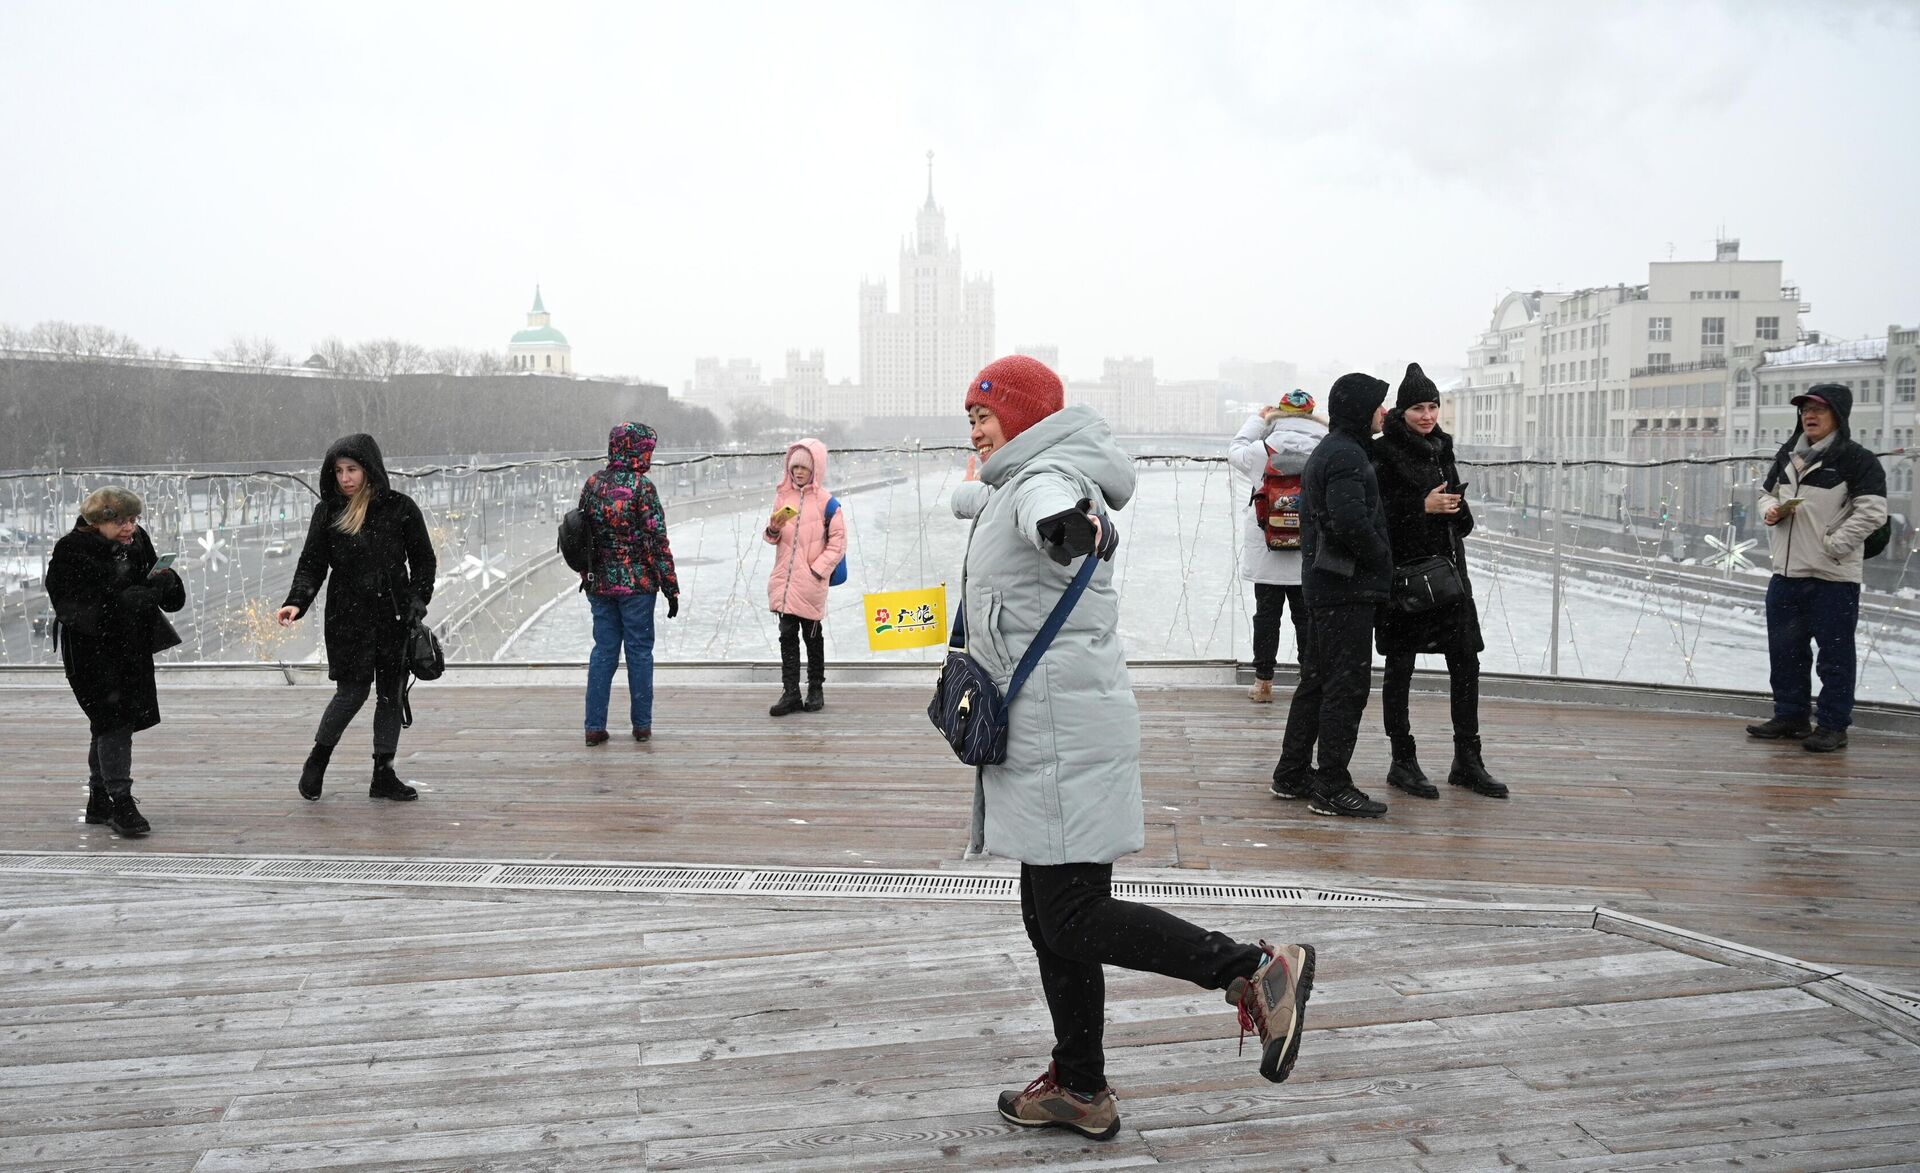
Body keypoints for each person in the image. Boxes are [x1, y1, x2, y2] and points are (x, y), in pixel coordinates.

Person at [958, 355, 1314, 1142]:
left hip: (1061, 734)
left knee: (1073, 915)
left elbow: (1053, 518)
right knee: (1049, 915)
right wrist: (981, 493)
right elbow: (996, 500)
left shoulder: (1045, 481)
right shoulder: (1017, 478)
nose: (975, 427)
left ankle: (1250, 969)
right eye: (970, 416)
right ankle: (1081, 1085)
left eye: (985, 414)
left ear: (1024, 417)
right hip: (1055, 732)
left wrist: (1071, 531)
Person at [275, 434, 436, 800]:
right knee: (351, 693)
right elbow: (312, 565)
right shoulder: (329, 511)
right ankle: (317, 759)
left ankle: (383, 774)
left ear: (369, 469)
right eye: (339, 471)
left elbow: (424, 561)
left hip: (394, 615)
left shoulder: (401, 508)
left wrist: (417, 602)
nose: (345, 478)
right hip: (348, 617)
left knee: (391, 696)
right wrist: (296, 601)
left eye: (352, 469)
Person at [1372, 363, 1505, 799]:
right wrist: (1420, 507)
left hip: (1450, 576)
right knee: (1401, 667)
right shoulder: (1382, 453)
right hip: (1407, 578)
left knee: (1467, 662)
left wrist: (1456, 509)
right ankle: (1402, 760)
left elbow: (1459, 523)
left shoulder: (1441, 447)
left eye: (1432, 406)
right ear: (1401, 412)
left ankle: (1468, 759)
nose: (1427, 415)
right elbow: (1376, 520)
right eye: (1418, 408)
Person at [1271, 373, 1393, 818]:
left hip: (1325, 585)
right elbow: (1348, 521)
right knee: (1346, 685)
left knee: (1318, 680)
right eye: (1379, 405)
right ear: (1362, 410)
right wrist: (1382, 559)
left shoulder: (1338, 447)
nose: (1385, 412)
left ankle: (1292, 773)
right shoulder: (1345, 454)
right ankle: (1332, 784)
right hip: (1345, 588)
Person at [1747, 383, 1888, 752]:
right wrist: (1770, 512)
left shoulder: (1857, 459)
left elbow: (1872, 512)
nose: (1809, 416)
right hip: (1786, 574)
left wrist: (1833, 545)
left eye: (1819, 410)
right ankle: (1791, 716)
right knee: (1786, 651)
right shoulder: (1788, 455)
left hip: (1832, 579)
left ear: (1837, 416)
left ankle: (1832, 725)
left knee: (1834, 656)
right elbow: (1764, 494)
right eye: (1805, 410)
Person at [46, 486, 186, 837]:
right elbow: (69, 605)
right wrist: (121, 603)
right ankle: (121, 802)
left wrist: (164, 583)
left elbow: (166, 596)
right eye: (122, 521)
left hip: (130, 649)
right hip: (90, 653)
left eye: (134, 519)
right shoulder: (71, 551)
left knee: (108, 722)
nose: (130, 528)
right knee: (113, 721)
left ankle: (98, 798)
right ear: (97, 522)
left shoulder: (137, 542)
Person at [578, 422, 680, 744]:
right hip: (637, 586)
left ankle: (594, 726)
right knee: (639, 653)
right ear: (637, 449)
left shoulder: (593, 483)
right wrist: (670, 587)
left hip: (600, 584)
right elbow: (656, 540)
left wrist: (587, 574)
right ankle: (642, 726)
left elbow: (580, 534)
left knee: (603, 652)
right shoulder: (642, 488)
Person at [1228, 389, 1328, 702]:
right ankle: (1309, 680)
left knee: (1267, 616)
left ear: (1278, 415)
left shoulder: (1262, 450)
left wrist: (1257, 421)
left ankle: (1263, 683)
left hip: (1267, 546)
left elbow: (1234, 450)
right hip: (1307, 551)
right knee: (1305, 618)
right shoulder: (1324, 449)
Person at [763, 438, 845, 716]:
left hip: (810, 583)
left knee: (812, 636)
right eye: (794, 467)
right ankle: (790, 692)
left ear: (816, 469)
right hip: (785, 582)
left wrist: (816, 570)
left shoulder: (828, 503)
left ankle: (815, 689)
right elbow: (773, 539)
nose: (798, 472)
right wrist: (773, 529)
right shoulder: (782, 498)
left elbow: (838, 543)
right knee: (787, 636)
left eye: (804, 468)